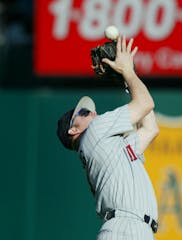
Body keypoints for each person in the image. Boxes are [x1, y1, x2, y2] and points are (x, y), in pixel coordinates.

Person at [56, 35, 159, 240]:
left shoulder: (108, 147)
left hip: (131, 229)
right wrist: (128, 73)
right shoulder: (95, 132)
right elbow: (145, 104)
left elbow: (150, 128)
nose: (93, 113)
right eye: (84, 113)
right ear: (73, 131)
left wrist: (130, 79)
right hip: (126, 228)